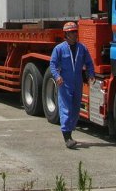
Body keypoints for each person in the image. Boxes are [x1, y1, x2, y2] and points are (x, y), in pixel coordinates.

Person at [50, 21, 95, 149]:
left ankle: (70, 131)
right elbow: (52, 64)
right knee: (66, 108)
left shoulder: (82, 48)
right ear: (66, 34)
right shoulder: (59, 49)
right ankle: (67, 137)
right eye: (72, 32)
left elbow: (89, 62)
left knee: (75, 108)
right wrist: (57, 76)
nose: (75, 34)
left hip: (77, 82)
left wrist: (90, 73)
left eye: (76, 32)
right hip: (65, 83)